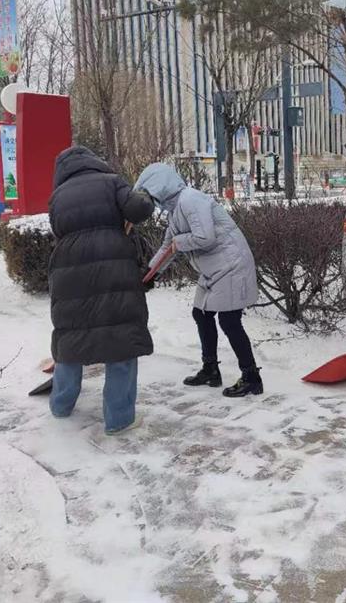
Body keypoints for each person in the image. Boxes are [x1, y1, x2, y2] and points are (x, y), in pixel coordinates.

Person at [48, 146, 156, 435]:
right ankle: (118, 419)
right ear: (94, 162)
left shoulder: (58, 195)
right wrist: (146, 197)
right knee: (120, 339)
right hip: (113, 264)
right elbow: (138, 209)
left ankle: (60, 404)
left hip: (68, 268)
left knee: (70, 338)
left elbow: (57, 230)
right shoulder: (111, 182)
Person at [135, 163, 262, 397]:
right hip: (215, 270)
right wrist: (149, 274)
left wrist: (179, 243)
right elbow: (167, 247)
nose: (150, 202)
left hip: (231, 265)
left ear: (159, 187)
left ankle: (252, 377)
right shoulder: (176, 211)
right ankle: (210, 369)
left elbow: (205, 238)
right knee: (201, 313)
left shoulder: (191, 199)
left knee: (229, 321)